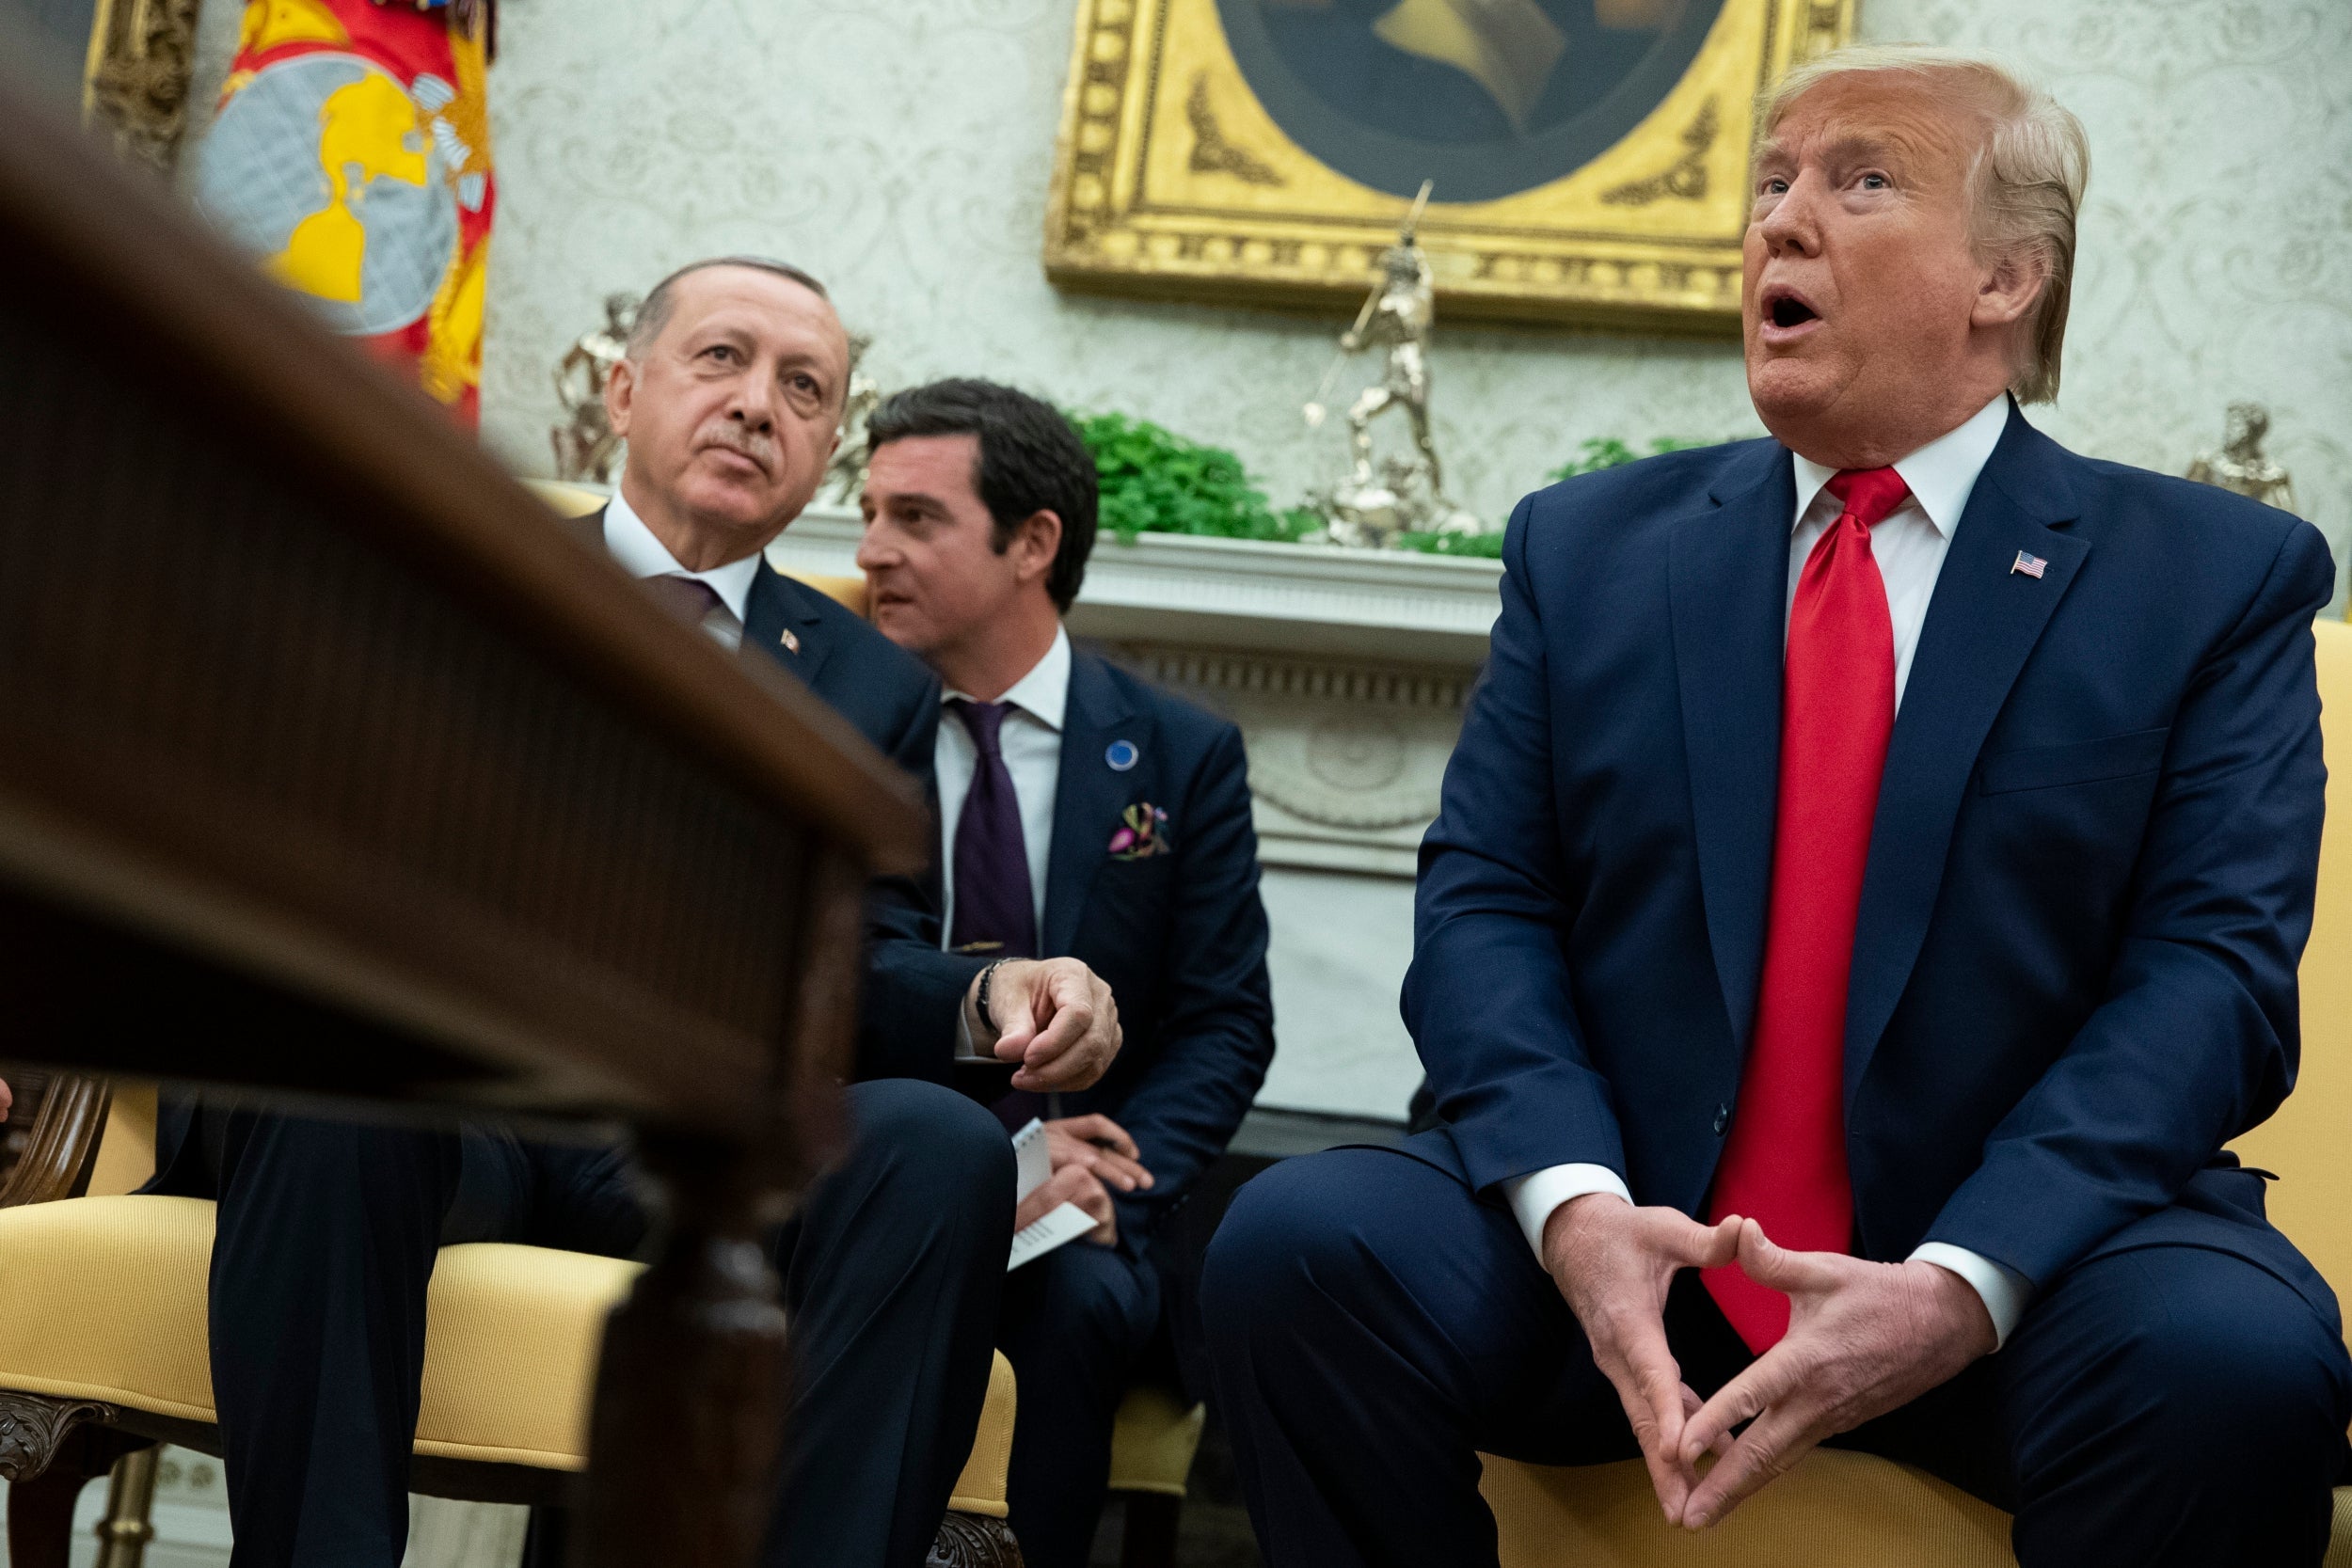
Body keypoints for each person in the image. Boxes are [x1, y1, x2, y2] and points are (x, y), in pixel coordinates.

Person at [1203, 45, 2350, 1568]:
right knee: (1301, 1246)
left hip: (2026, 1272)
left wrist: (1962, 1275)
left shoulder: (2208, 578)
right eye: (1770, 181)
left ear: (2011, 273)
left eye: (1860, 179)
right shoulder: (1590, 548)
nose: (1781, 221)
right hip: (1638, 1250)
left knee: (2234, 1363)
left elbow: (2210, 973)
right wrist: (1574, 1205)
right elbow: (1489, 898)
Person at [148, 259, 1124, 1568]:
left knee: (935, 1142)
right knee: (342, 1079)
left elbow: (858, 958)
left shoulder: (866, 682)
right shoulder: (440, 550)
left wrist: (980, 991)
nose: (755, 405)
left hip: (677, 1133)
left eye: (803, 388)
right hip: (429, 1084)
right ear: (624, 388)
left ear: (827, 446)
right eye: (719, 358)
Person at [857, 378, 1277, 1568]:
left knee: (1079, 1301)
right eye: (870, 509)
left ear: (1032, 541)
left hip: (1080, 1219)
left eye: (916, 517)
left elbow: (1224, 1021)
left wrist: (1108, 1176)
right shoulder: (840, 713)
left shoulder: (1180, 754)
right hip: (869, 1174)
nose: (871, 548)